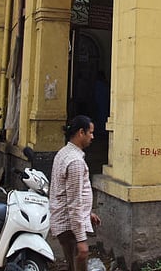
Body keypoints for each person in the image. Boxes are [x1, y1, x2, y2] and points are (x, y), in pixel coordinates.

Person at [49, 115, 101, 271]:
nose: (92, 137)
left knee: (73, 266)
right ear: (81, 132)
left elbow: (66, 192)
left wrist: (87, 213)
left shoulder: (64, 152)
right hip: (70, 227)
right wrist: (81, 240)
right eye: (90, 132)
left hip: (66, 223)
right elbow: (74, 202)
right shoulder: (75, 162)